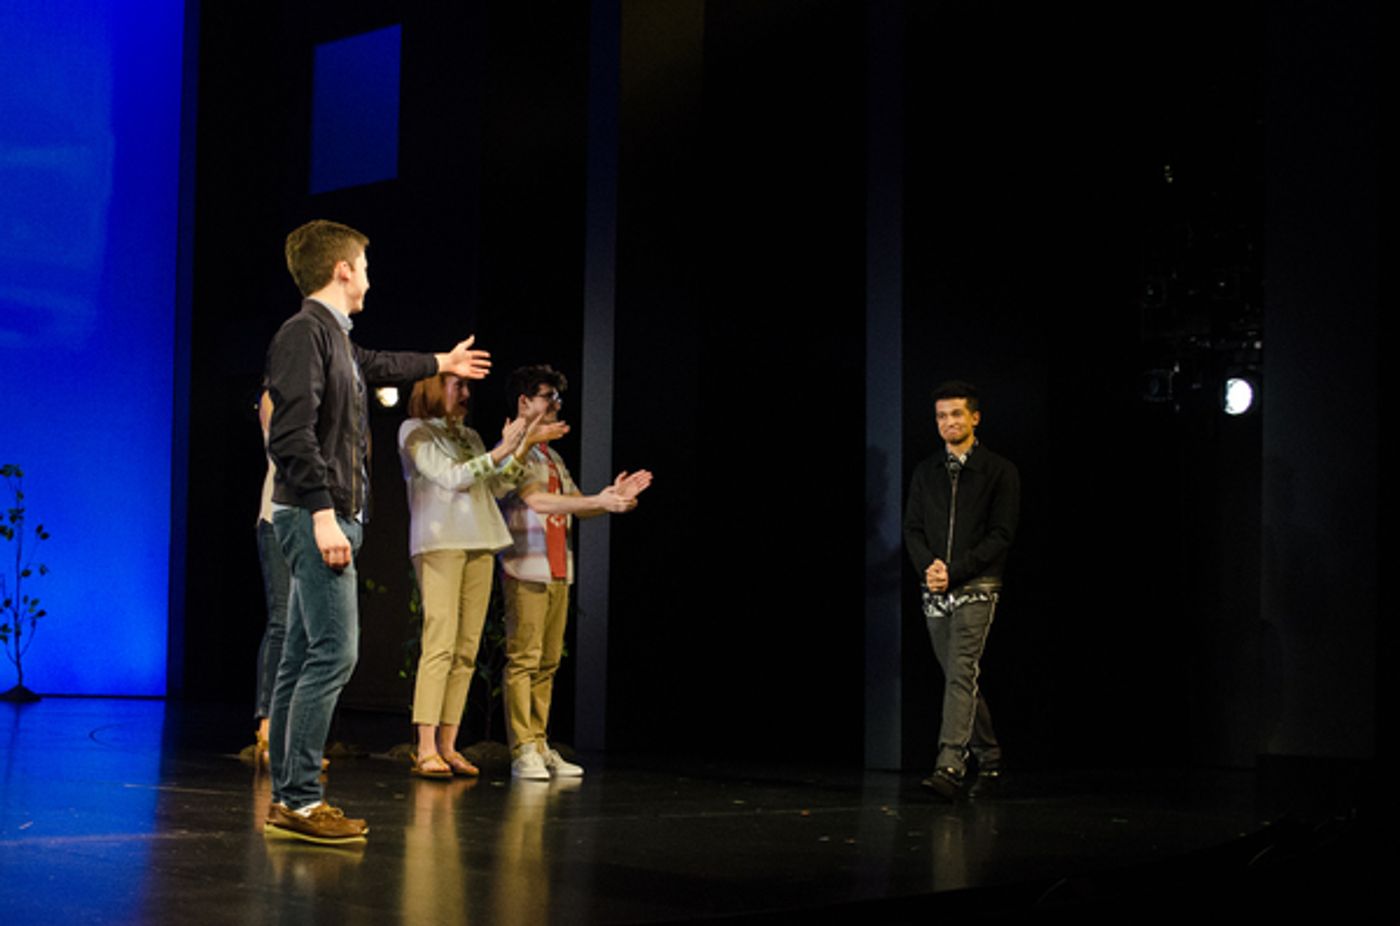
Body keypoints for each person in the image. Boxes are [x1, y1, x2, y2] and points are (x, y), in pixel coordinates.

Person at [262, 219, 491, 844]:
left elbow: (378, 364)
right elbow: (290, 435)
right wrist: (320, 512)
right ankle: (301, 799)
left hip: (332, 515)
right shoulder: (303, 333)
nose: (369, 275)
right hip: (318, 517)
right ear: (343, 270)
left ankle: (290, 797)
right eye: (364, 263)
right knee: (335, 653)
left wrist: (440, 360)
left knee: (302, 657)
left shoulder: (335, 338)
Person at [397, 372, 565, 779]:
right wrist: (503, 449)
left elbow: (495, 487)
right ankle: (425, 746)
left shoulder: (470, 436)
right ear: (433, 387)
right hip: (440, 542)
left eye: (467, 387)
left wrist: (519, 448)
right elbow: (450, 478)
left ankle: (449, 745)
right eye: (458, 385)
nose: (466, 394)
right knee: (440, 641)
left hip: (480, 540)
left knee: (467, 648)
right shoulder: (414, 431)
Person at [497, 365, 652, 780]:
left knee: (547, 661)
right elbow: (539, 502)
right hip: (525, 565)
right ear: (525, 402)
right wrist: (598, 501)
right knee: (524, 659)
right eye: (548, 397)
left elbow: (574, 501)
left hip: (558, 568)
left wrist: (610, 499)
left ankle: (541, 742)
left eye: (557, 399)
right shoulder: (517, 448)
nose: (556, 406)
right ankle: (522, 748)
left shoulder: (551, 454)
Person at [903, 380, 1019, 800]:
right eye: (941, 416)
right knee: (958, 675)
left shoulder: (1000, 470)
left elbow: (1001, 534)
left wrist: (956, 570)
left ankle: (950, 764)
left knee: (961, 670)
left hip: (977, 584)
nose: (948, 422)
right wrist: (930, 568)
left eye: (956, 414)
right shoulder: (925, 471)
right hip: (935, 585)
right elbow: (912, 527)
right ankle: (989, 754)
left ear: (974, 417)